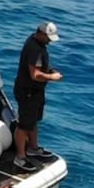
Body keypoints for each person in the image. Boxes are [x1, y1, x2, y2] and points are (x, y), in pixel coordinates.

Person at [13, 21, 62, 164]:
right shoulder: (34, 48)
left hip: (36, 92)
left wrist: (49, 70)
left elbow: (40, 67)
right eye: (48, 38)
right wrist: (51, 77)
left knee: (33, 120)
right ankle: (20, 157)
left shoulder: (38, 44)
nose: (49, 41)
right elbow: (34, 74)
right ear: (41, 34)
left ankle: (33, 148)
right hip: (28, 91)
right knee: (24, 125)